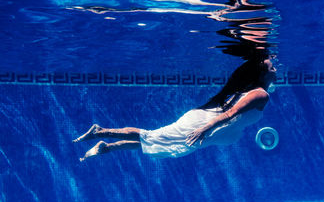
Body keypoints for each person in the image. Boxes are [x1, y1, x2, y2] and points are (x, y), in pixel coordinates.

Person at [73, 56, 277, 161]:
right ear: (262, 75)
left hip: (208, 128)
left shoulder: (252, 90)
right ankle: (101, 131)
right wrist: (204, 129)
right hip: (203, 126)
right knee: (152, 136)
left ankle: (106, 147)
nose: (275, 69)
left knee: (159, 143)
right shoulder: (260, 94)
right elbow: (230, 114)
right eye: (272, 67)